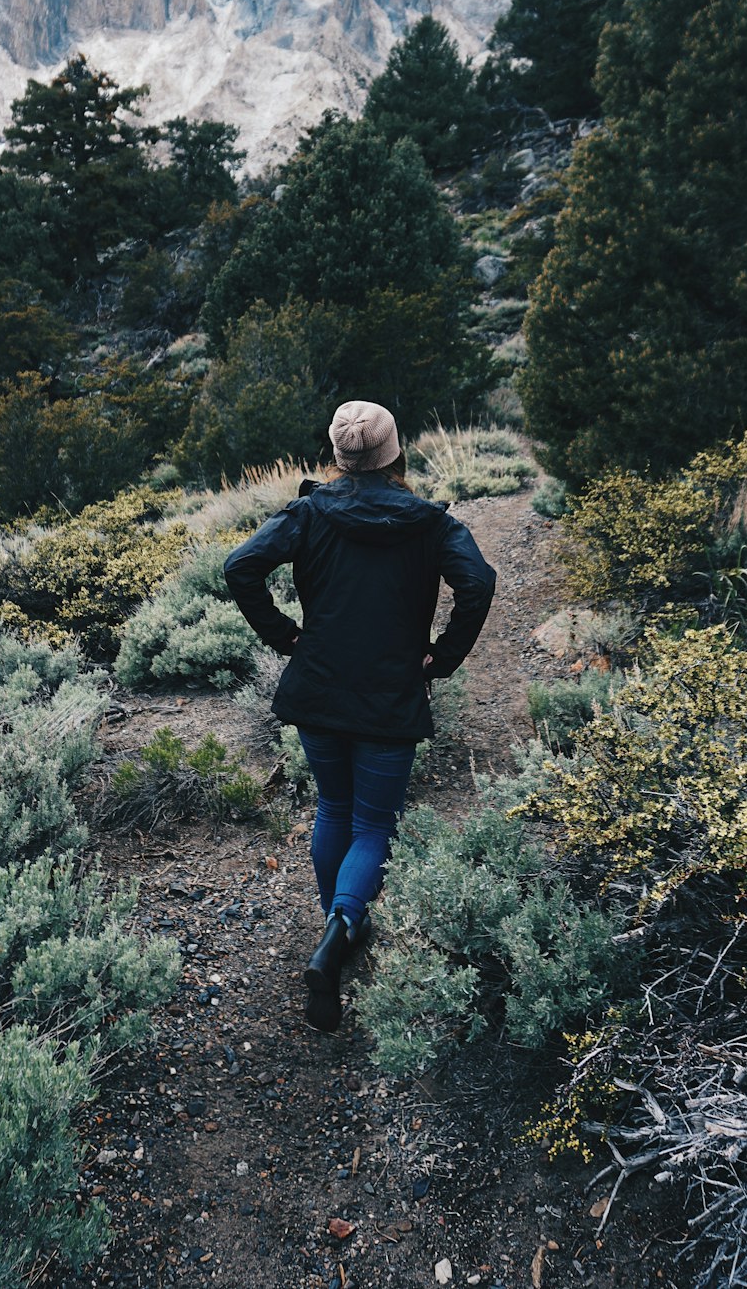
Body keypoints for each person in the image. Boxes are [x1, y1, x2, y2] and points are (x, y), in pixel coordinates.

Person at [223, 399, 496, 1032]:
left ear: (339, 455)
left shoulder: (308, 511)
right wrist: (443, 658)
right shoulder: (430, 524)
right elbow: (477, 584)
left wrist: (284, 635)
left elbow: (240, 566)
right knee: (374, 822)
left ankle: (338, 929)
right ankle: (342, 929)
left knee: (335, 810)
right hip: (389, 694)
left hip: (318, 689)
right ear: (396, 451)